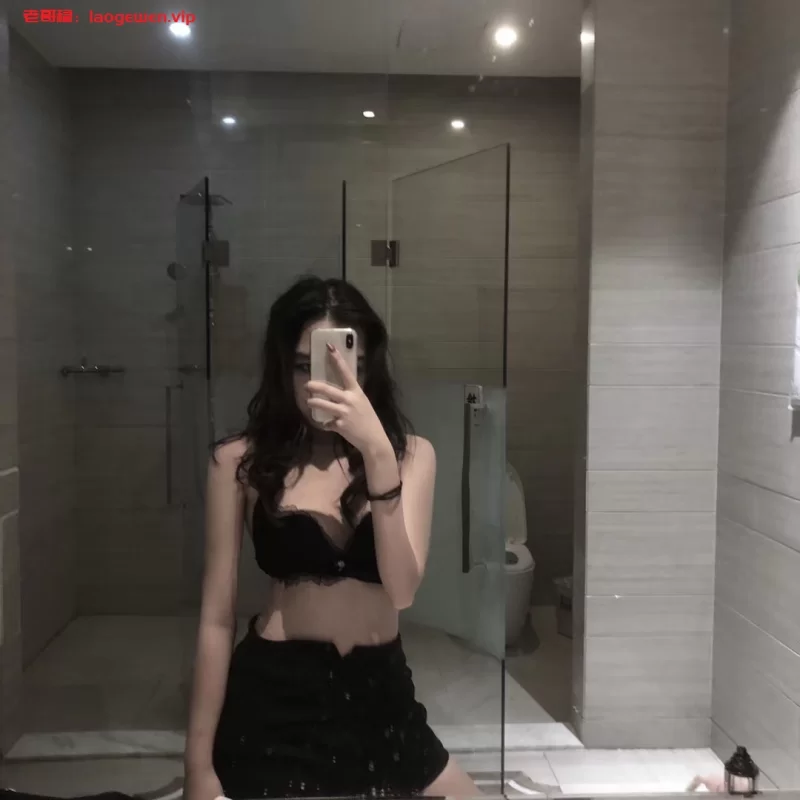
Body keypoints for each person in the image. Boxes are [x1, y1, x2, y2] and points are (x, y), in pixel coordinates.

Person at [183, 277, 479, 800]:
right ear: (282, 368)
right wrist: (197, 767)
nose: (321, 383)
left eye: (347, 366)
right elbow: (216, 619)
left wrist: (378, 455)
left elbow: (403, 590)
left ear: (369, 368)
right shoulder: (239, 461)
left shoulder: (412, 456)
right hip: (277, 699)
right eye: (305, 366)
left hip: (382, 698)